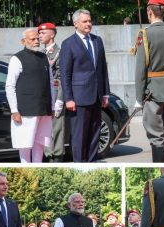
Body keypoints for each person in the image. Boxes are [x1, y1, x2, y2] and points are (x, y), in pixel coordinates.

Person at [60, 9, 110, 162]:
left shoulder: (97, 40)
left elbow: (102, 69)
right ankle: (80, 163)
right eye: (85, 21)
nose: (89, 24)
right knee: (79, 135)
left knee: (95, 133)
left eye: (90, 21)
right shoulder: (68, 44)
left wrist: (106, 93)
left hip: (96, 96)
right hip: (79, 98)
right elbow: (65, 74)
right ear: (76, 24)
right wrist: (68, 98)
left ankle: (91, 161)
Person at [134, 0, 164, 162]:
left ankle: (161, 172)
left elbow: (140, 69)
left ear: (149, 12)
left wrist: (139, 98)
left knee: (157, 138)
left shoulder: (145, 34)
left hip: (152, 91)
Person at [5, 28, 53, 163]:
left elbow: (50, 83)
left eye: (37, 38)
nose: (36, 41)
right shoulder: (17, 58)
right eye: (32, 39)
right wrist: (14, 110)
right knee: (25, 144)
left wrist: (53, 106)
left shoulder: (44, 57)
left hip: (43, 109)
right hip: (25, 110)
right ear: (23, 41)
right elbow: (10, 86)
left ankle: (37, 168)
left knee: (40, 142)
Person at [39, 22, 66, 163]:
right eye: (39, 33)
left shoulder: (59, 52)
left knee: (56, 130)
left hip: (55, 96)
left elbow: (62, 78)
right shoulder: (41, 53)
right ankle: (49, 155)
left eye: (43, 33)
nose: (40, 36)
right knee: (46, 131)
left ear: (52, 34)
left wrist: (60, 99)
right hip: (44, 98)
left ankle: (57, 157)